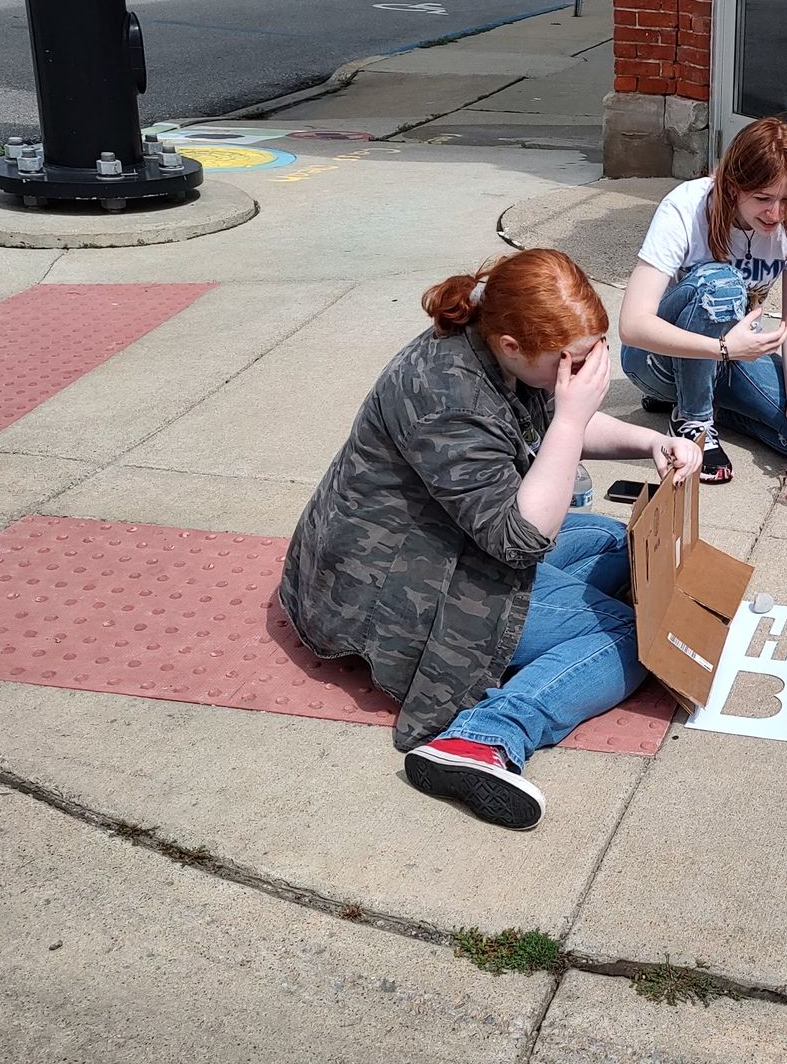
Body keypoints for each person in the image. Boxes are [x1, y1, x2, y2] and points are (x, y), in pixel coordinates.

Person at [278, 249, 700, 831]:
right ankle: (483, 739)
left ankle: (548, 644)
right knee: (630, 632)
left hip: (449, 541)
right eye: (569, 362)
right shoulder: (446, 396)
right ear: (510, 345)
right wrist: (573, 419)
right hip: (391, 586)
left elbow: (551, 419)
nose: (579, 374)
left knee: (613, 544)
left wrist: (645, 442)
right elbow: (521, 539)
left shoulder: (502, 347)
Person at [620, 116, 787, 484]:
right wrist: (722, 348)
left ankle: (707, 405)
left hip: (732, 356)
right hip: (657, 359)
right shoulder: (687, 206)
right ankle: (694, 421)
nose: (776, 213)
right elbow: (632, 325)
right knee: (721, 284)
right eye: (762, 199)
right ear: (732, 187)